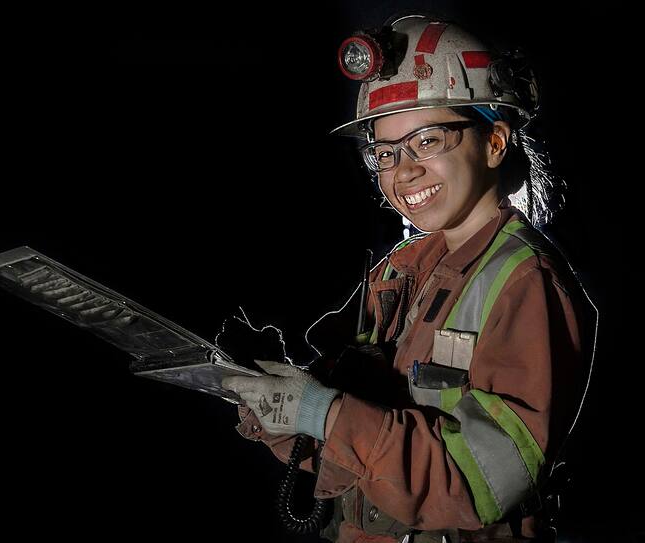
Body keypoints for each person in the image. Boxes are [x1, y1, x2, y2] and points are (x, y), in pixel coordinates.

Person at [222, 14, 596, 543]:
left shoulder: (525, 285)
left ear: (494, 142)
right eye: (386, 152)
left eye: (427, 141)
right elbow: (353, 441)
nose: (403, 171)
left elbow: (478, 483)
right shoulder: (398, 271)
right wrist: (270, 396)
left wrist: (324, 414)